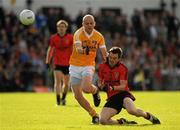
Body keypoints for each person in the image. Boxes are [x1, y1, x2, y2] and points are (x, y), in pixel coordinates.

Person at [98, 47, 161, 125]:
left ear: (119, 59)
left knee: (132, 110)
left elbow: (123, 86)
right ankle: (122, 122)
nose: (111, 60)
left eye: (114, 58)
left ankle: (148, 116)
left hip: (123, 94)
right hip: (112, 98)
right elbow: (100, 82)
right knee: (103, 120)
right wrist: (101, 86)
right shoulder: (102, 67)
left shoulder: (122, 68)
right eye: (110, 57)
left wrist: (111, 88)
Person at [69, 14, 107, 124]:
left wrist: (108, 60)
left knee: (86, 88)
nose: (89, 25)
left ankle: (94, 91)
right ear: (82, 24)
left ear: (94, 23)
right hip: (75, 66)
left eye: (91, 23)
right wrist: (85, 50)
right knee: (77, 96)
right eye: (87, 23)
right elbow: (79, 48)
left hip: (88, 65)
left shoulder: (99, 36)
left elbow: (104, 53)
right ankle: (94, 114)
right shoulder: (78, 34)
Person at [46, 20, 73, 106]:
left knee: (66, 83)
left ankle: (63, 98)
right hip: (57, 62)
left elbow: (74, 50)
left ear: (66, 28)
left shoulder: (70, 37)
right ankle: (58, 101)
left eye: (63, 27)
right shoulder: (53, 38)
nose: (61, 28)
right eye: (59, 27)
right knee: (57, 82)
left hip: (68, 63)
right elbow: (50, 49)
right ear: (57, 28)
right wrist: (48, 61)